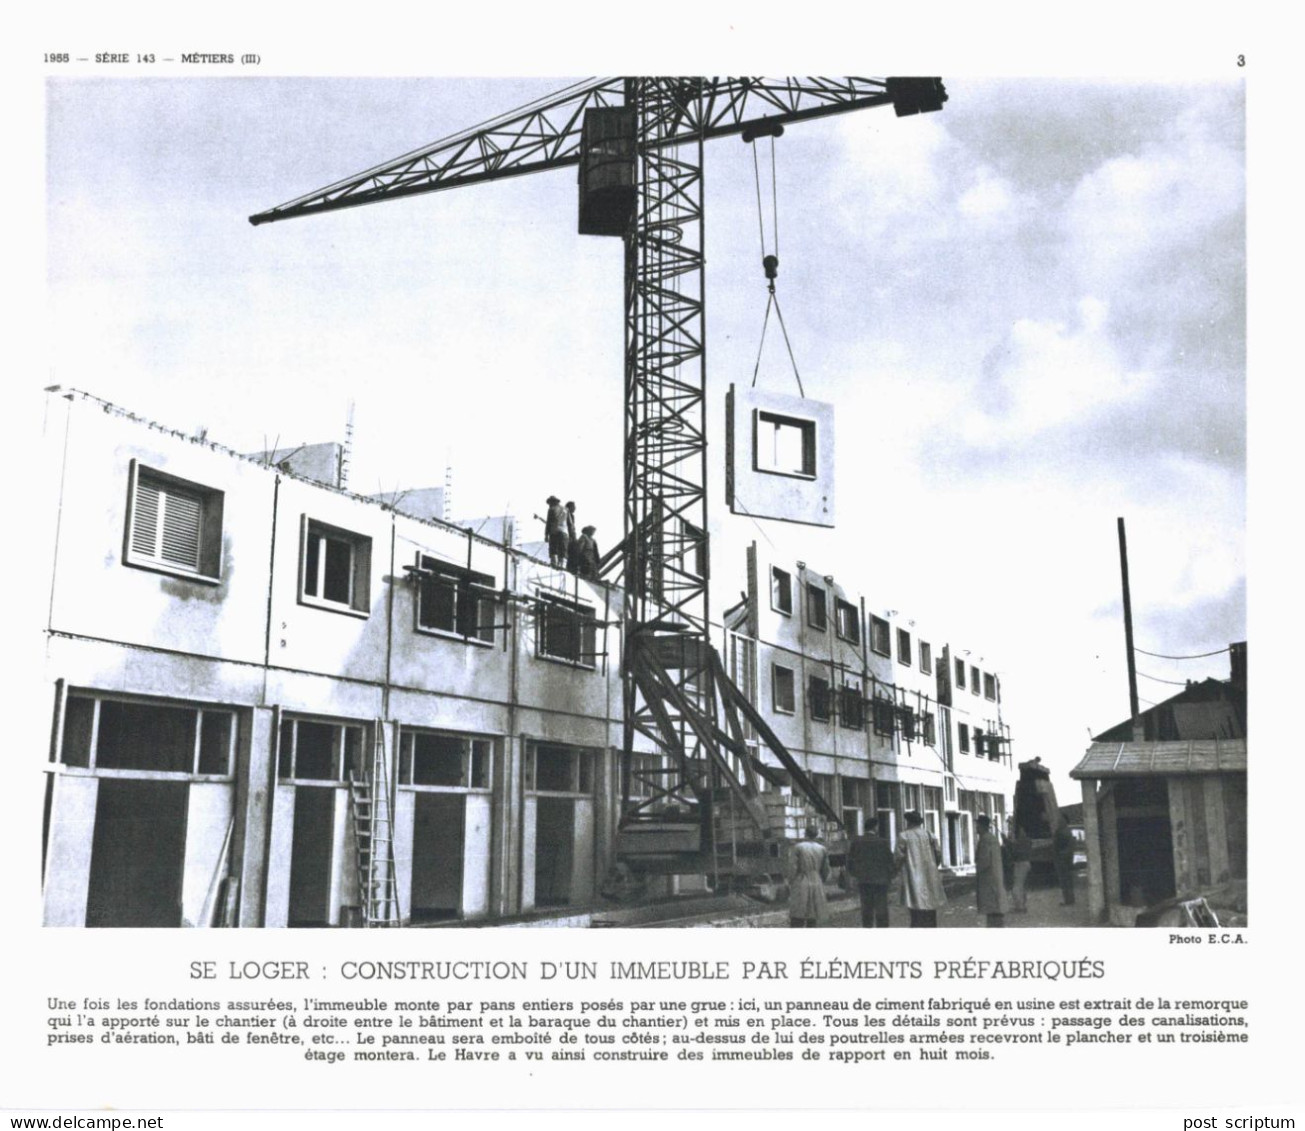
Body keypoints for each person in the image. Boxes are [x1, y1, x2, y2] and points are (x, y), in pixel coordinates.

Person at [895, 810, 946, 927]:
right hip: (929, 875)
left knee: (915, 908)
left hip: (913, 876)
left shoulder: (904, 836)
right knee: (930, 906)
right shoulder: (929, 834)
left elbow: (898, 857)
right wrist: (933, 866)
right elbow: (938, 854)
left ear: (909, 822)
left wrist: (899, 869)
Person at [846, 815, 895, 927]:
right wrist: (890, 876)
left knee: (866, 909)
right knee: (881, 909)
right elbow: (890, 861)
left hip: (864, 881)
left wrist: (855, 875)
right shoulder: (882, 842)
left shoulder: (857, 842)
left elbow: (850, 861)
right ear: (875, 828)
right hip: (881, 881)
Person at [787, 825, 830, 928]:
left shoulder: (798, 847)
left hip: (801, 880)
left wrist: (790, 881)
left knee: (798, 914)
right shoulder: (822, 848)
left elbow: (792, 866)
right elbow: (826, 869)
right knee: (813, 914)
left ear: (805, 834)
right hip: (816, 881)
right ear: (816, 835)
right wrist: (821, 879)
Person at [974, 815, 1009, 927]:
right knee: (995, 905)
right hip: (995, 876)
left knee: (992, 908)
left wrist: (978, 869)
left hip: (988, 879)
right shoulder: (992, 838)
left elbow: (984, 861)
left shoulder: (985, 840)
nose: (976, 827)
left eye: (977, 825)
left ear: (981, 826)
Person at [1009, 829, 1033, 913]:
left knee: (1017, 887)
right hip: (1025, 863)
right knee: (1021, 886)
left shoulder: (1019, 842)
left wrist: (1008, 842)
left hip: (1020, 864)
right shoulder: (1028, 841)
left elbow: (1014, 851)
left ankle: (1020, 907)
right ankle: (1021, 905)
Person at [1053, 821, 1076, 905]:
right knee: (1068, 881)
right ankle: (1070, 899)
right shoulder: (1068, 833)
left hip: (1063, 860)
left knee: (1065, 881)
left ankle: (1068, 900)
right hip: (1066, 860)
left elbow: (1056, 847)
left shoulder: (1061, 834)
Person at [543, 495, 568, 568]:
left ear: (552, 502)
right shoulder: (565, 509)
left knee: (553, 549)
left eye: (549, 503)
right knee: (563, 549)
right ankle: (563, 565)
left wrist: (546, 535)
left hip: (554, 531)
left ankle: (554, 564)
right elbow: (569, 523)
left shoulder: (551, 509)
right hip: (564, 532)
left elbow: (548, 523)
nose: (549, 505)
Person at [564, 501, 579, 572]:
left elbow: (572, 527)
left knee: (574, 551)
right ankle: (570, 568)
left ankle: (573, 568)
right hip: (567, 536)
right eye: (573, 507)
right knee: (572, 551)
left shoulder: (572, 516)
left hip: (572, 536)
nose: (575, 508)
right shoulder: (565, 514)